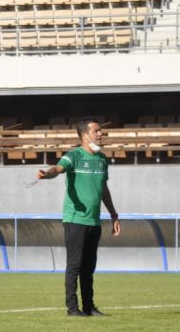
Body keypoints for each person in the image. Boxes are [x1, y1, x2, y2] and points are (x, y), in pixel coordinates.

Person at [36, 117, 122, 317]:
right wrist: (46, 174)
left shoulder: (102, 160)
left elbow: (103, 189)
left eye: (100, 131)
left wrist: (113, 214)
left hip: (94, 220)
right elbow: (57, 169)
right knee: (75, 265)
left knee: (89, 267)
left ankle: (89, 307)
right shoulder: (73, 156)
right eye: (96, 131)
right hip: (75, 219)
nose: (100, 134)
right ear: (85, 135)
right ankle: (72, 308)